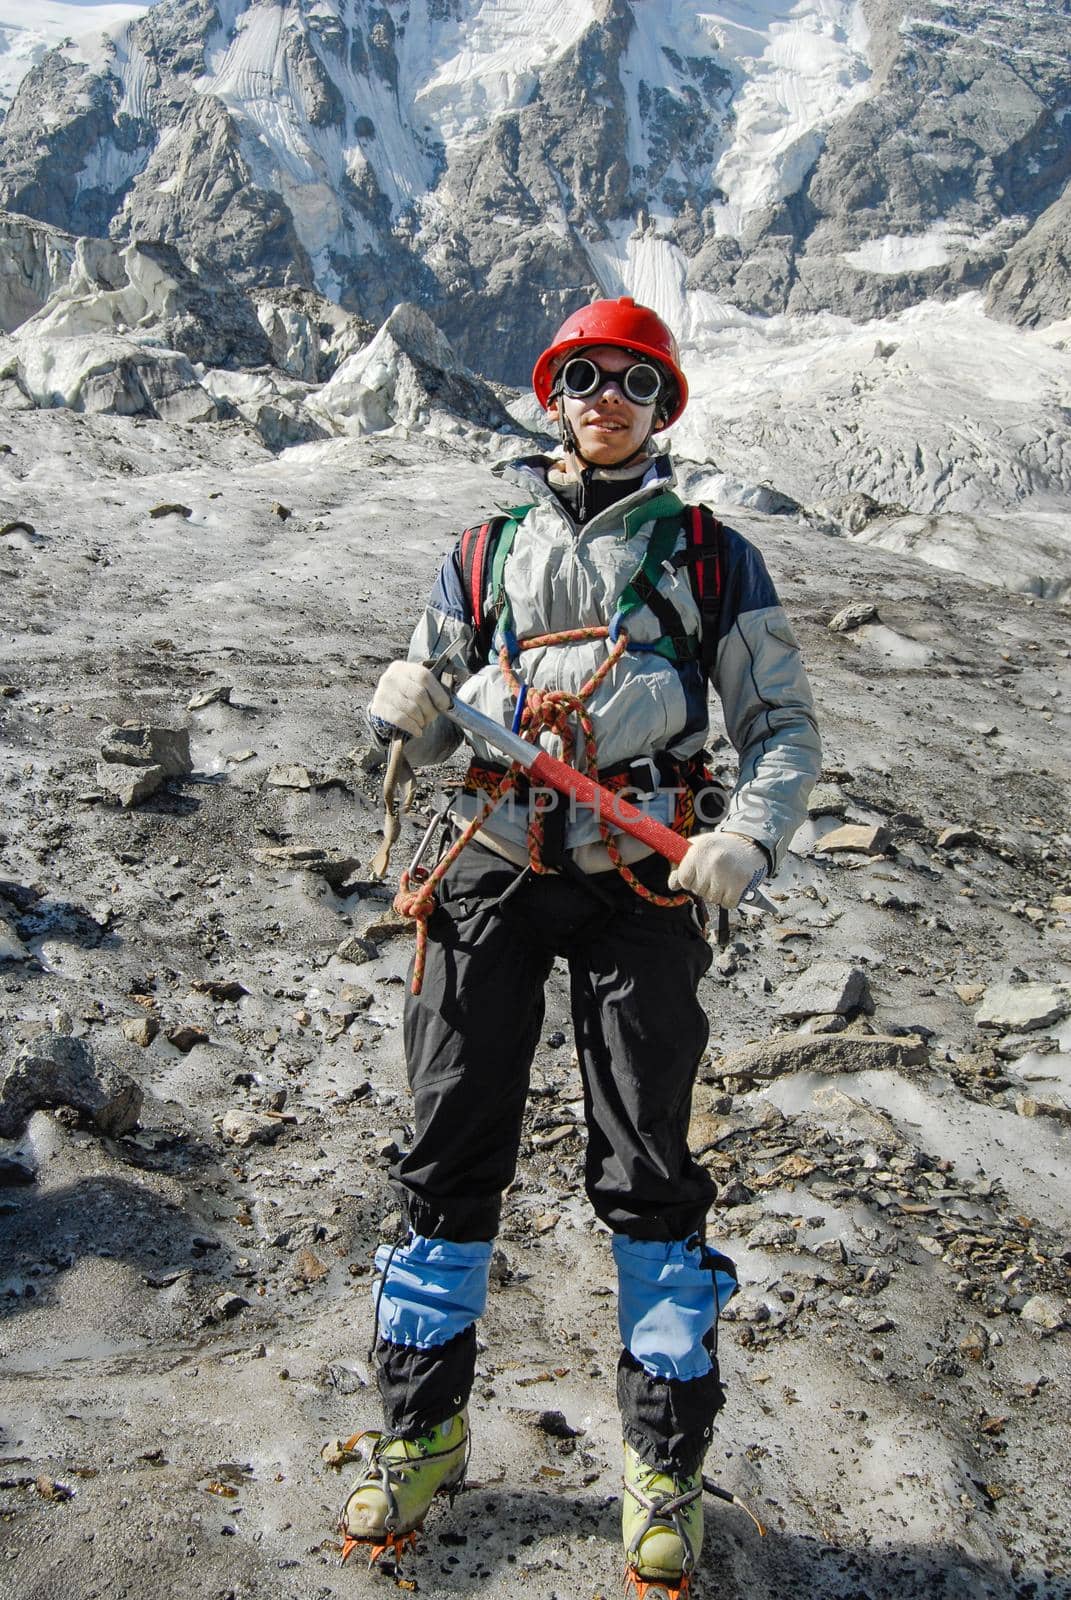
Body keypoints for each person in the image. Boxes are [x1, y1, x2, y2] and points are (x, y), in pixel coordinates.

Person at [339, 296, 821, 1596]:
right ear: (554, 392)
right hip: (491, 872)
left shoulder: (714, 560)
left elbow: (778, 727)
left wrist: (751, 839)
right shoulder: (480, 554)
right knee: (445, 1155)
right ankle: (418, 1429)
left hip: (643, 891)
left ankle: (664, 1465)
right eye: (586, 376)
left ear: (662, 406)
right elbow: (432, 711)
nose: (607, 397)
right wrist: (410, 716)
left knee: (653, 1168)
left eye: (634, 382)